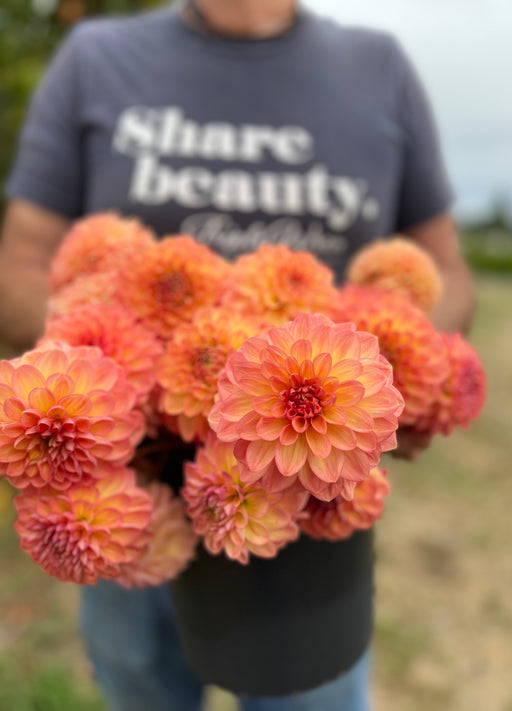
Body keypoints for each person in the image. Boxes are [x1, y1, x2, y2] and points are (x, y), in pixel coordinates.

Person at [0, 1, 475, 709]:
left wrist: (399, 379)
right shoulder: (96, 57)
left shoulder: (378, 68)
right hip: (134, 506)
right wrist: (119, 383)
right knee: (138, 682)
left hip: (313, 522)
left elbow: (447, 270)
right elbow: (21, 262)